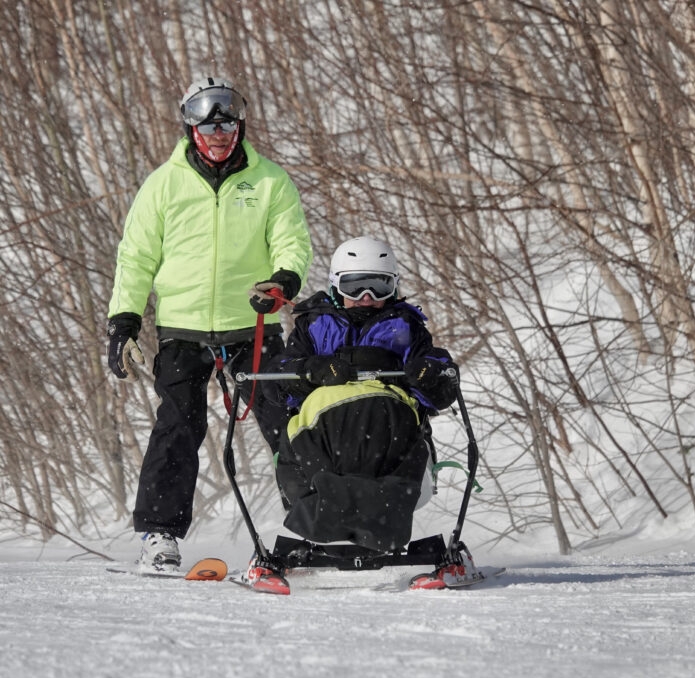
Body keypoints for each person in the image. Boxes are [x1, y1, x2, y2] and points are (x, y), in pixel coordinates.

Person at [106, 76, 312, 572]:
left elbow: (293, 242)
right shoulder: (164, 183)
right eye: (208, 125)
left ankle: (314, 523)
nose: (219, 134)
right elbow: (136, 257)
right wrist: (125, 319)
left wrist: (284, 279)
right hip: (183, 327)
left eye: (228, 124)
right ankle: (159, 535)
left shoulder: (270, 181)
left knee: (288, 424)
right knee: (177, 427)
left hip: (254, 325)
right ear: (191, 129)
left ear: (239, 126)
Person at [240, 236, 460, 588]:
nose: (367, 298)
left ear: (394, 287)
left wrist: (429, 372)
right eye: (355, 287)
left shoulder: (406, 327)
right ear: (335, 285)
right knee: (315, 424)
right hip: (324, 435)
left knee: (391, 417)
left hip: (389, 431)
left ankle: (368, 503)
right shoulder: (313, 325)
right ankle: (331, 501)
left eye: (378, 286)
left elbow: (439, 377)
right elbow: (277, 379)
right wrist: (314, 369)